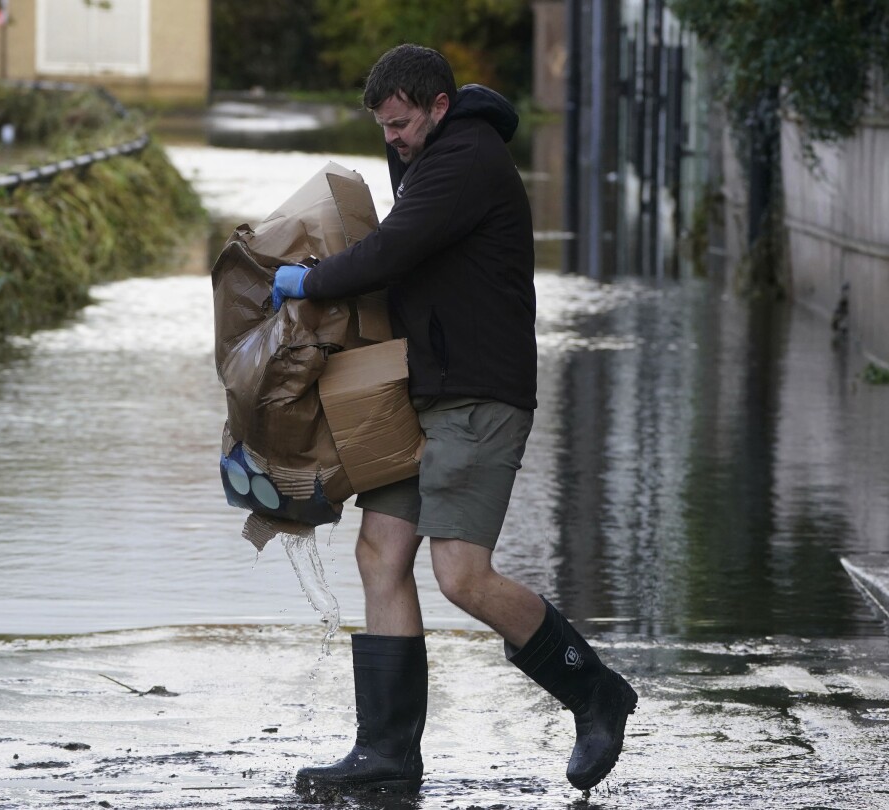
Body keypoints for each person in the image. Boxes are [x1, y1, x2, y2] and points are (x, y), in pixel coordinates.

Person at [272, 44, 638, 795]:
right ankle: (386, 755)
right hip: (427, 392)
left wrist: (307, 280)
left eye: (401, 124)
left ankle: (596, 691)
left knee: (461, 575)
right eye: (383, 127)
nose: (392, 140)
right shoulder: (432, 154)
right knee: (380, 553)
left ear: (438, 106)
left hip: (480, 395)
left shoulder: (465, 160)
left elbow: (390, 252)